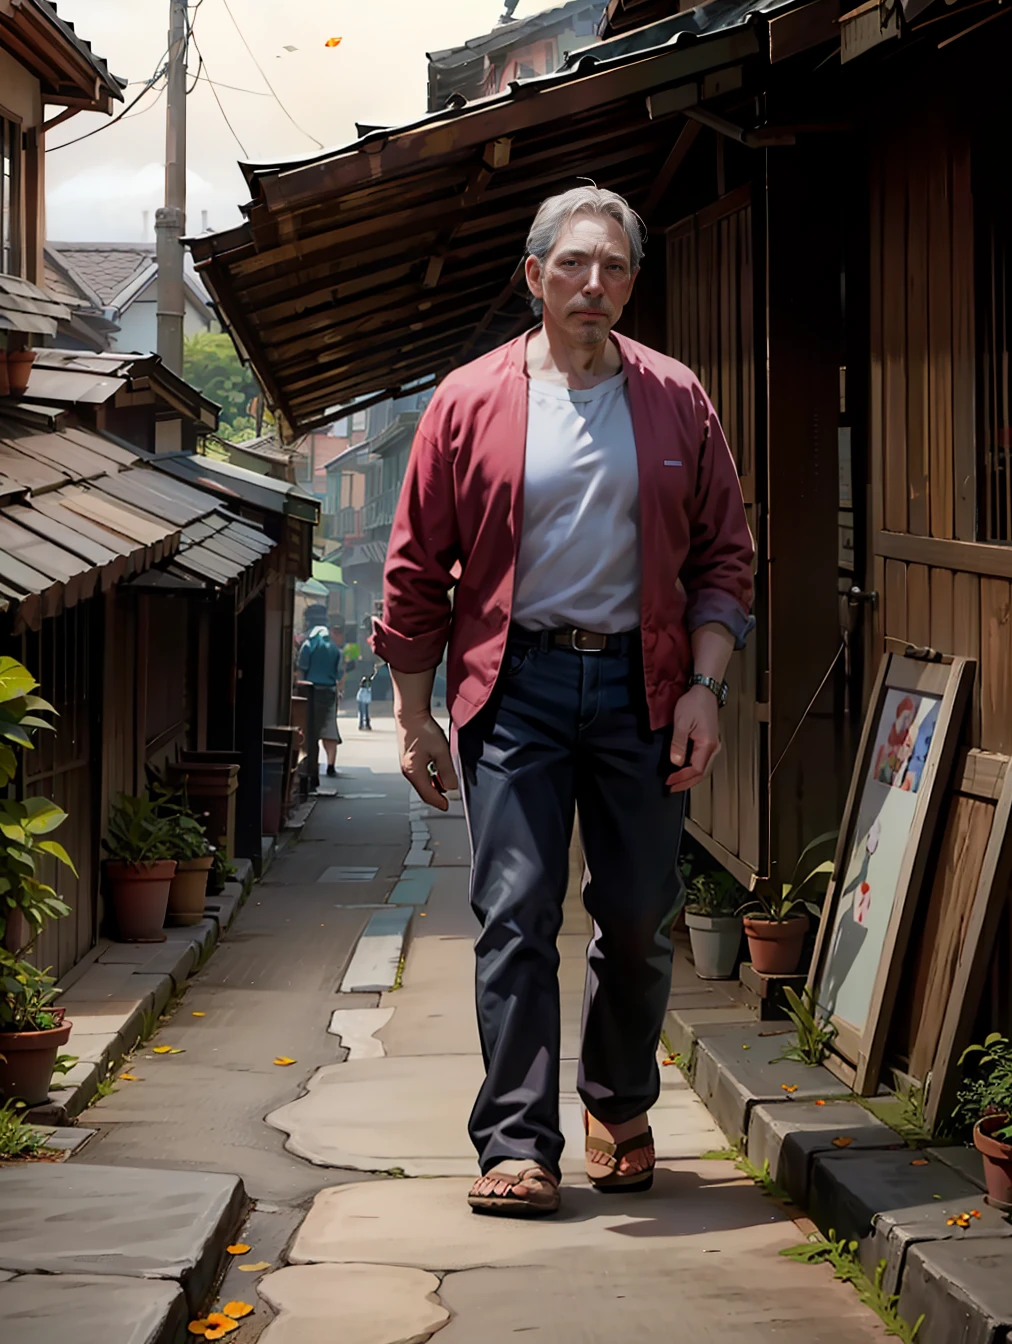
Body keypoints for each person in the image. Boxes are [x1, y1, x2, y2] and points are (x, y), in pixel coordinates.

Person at [372, 185, 754, 1218]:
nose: (596, 284)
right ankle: (516, 1142)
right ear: (534, 275)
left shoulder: (677, 398)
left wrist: (705, 689)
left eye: (616, 268)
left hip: (646, 683)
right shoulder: (468, 400)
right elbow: (416, 569)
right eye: (575, 265)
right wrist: (415, 716)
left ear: (632, 282)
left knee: (636, 915)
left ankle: (619, 1105)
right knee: (514, 913)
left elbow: (724, 557)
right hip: (516, 684)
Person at [297, 624, 342, 776]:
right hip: (330, 692)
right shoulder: (335, 649)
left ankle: (312, 766)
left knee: (312, 730)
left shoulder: (308, 645)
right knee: (330, 729)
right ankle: (331, 765)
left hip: (312, 692)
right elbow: (338, 673)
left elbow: (302, 670)